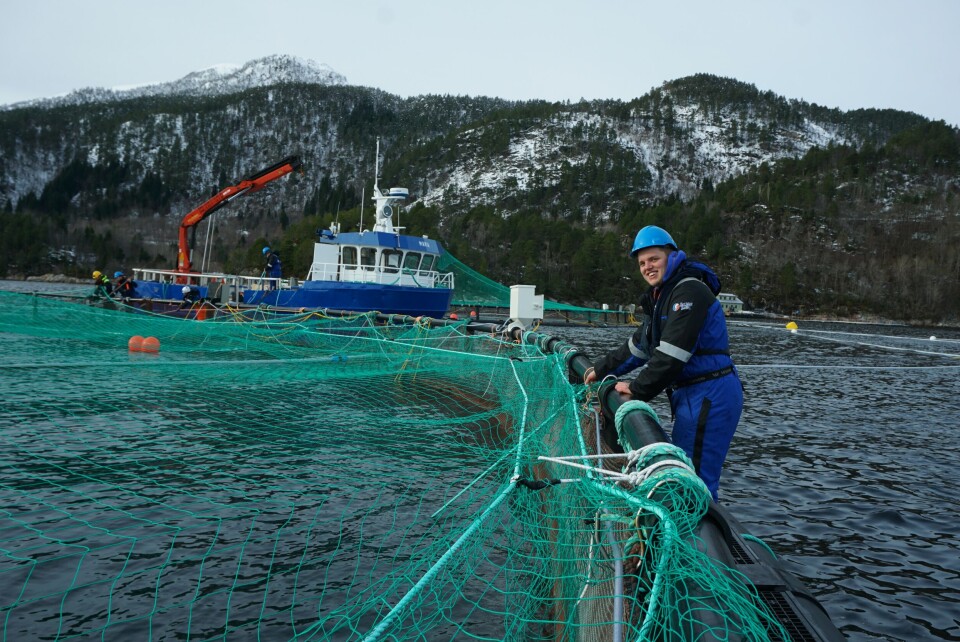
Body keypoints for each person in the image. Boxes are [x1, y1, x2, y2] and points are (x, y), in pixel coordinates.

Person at [583, 225, 743, 501]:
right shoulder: (662, 298)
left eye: (654, 259)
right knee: (683, 473)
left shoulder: (689, 291)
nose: (647, 267)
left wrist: (636, 388)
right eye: (642, 262)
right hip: (690, 394)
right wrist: (600, 369)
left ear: (672, 256)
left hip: (711, 393)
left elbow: (672, 356)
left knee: (695, 481)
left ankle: (695, 542)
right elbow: (637, 348)